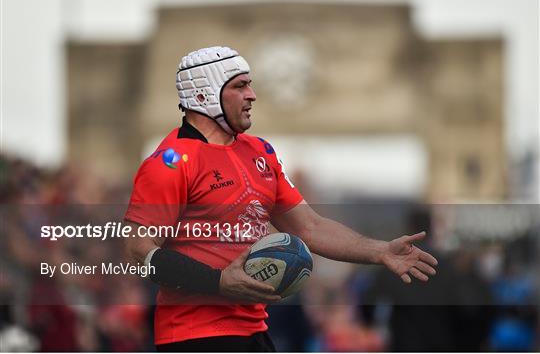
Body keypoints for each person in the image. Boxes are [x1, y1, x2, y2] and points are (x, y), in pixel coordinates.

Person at [124, 46, 438, 352]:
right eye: (240, 86)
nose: (252, 95)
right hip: (194, 337)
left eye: (250, 85)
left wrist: (380, 251)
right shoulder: (169, 162)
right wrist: (217, 282)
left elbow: (310, 227)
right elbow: (140, 251)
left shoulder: (260, 152)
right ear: (204, 95)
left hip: (256, 331)